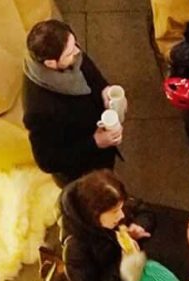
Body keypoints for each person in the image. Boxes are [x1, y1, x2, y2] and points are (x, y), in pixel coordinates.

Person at [22, 18, 125, 184]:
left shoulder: (68, 52)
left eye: (75, 44)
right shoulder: (39, 109)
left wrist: (104, 90)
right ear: (50, 63)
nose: (77, 52)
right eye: (70, 53)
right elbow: (47, 160)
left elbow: (90, 73)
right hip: (81, 173)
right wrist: (95, 142)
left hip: (101, 151)